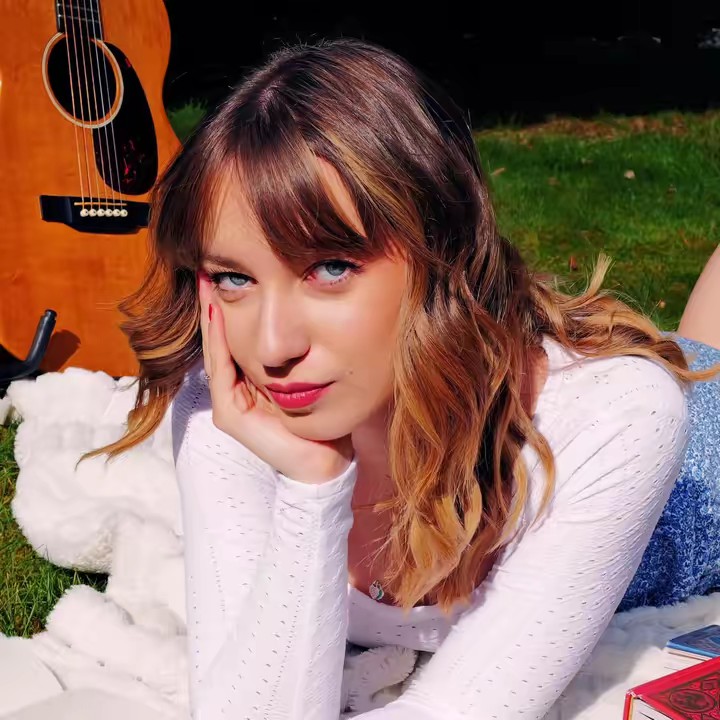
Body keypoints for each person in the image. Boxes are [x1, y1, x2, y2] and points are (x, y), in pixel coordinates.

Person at [79, 38, 719, 720]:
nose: (272, 348)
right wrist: (312, 488)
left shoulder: (617, 417)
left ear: (441, 250)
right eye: (235, 278)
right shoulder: (222, 405)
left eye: (329, 268)